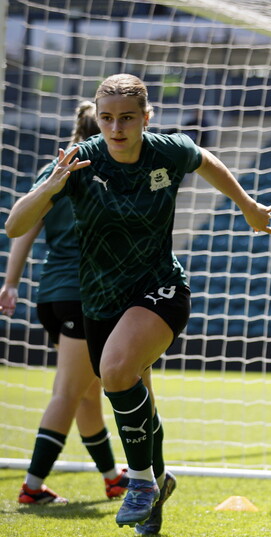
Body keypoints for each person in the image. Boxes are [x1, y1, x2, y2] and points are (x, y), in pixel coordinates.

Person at [5, 74, 271, 534]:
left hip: (161, 287)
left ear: (146, 118)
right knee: (137, 396)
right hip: (99, 298)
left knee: (112, 373)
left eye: (127, 118)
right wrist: (50, 186)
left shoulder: (167, 150)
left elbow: (205, 159)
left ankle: (139, 482)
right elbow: (14, 226)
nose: (115, 128)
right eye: (107, 118)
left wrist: (247, 204)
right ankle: (157, 483)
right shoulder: (79, 162)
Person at [1, 101, 129, 504]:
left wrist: (10, 283)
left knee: (88, 393)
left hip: (53, 296)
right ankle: (32, 487)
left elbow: (23, 232)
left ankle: (111, 477)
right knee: (68, 392)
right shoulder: (102, 171)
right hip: (83, 294)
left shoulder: (52, 172)